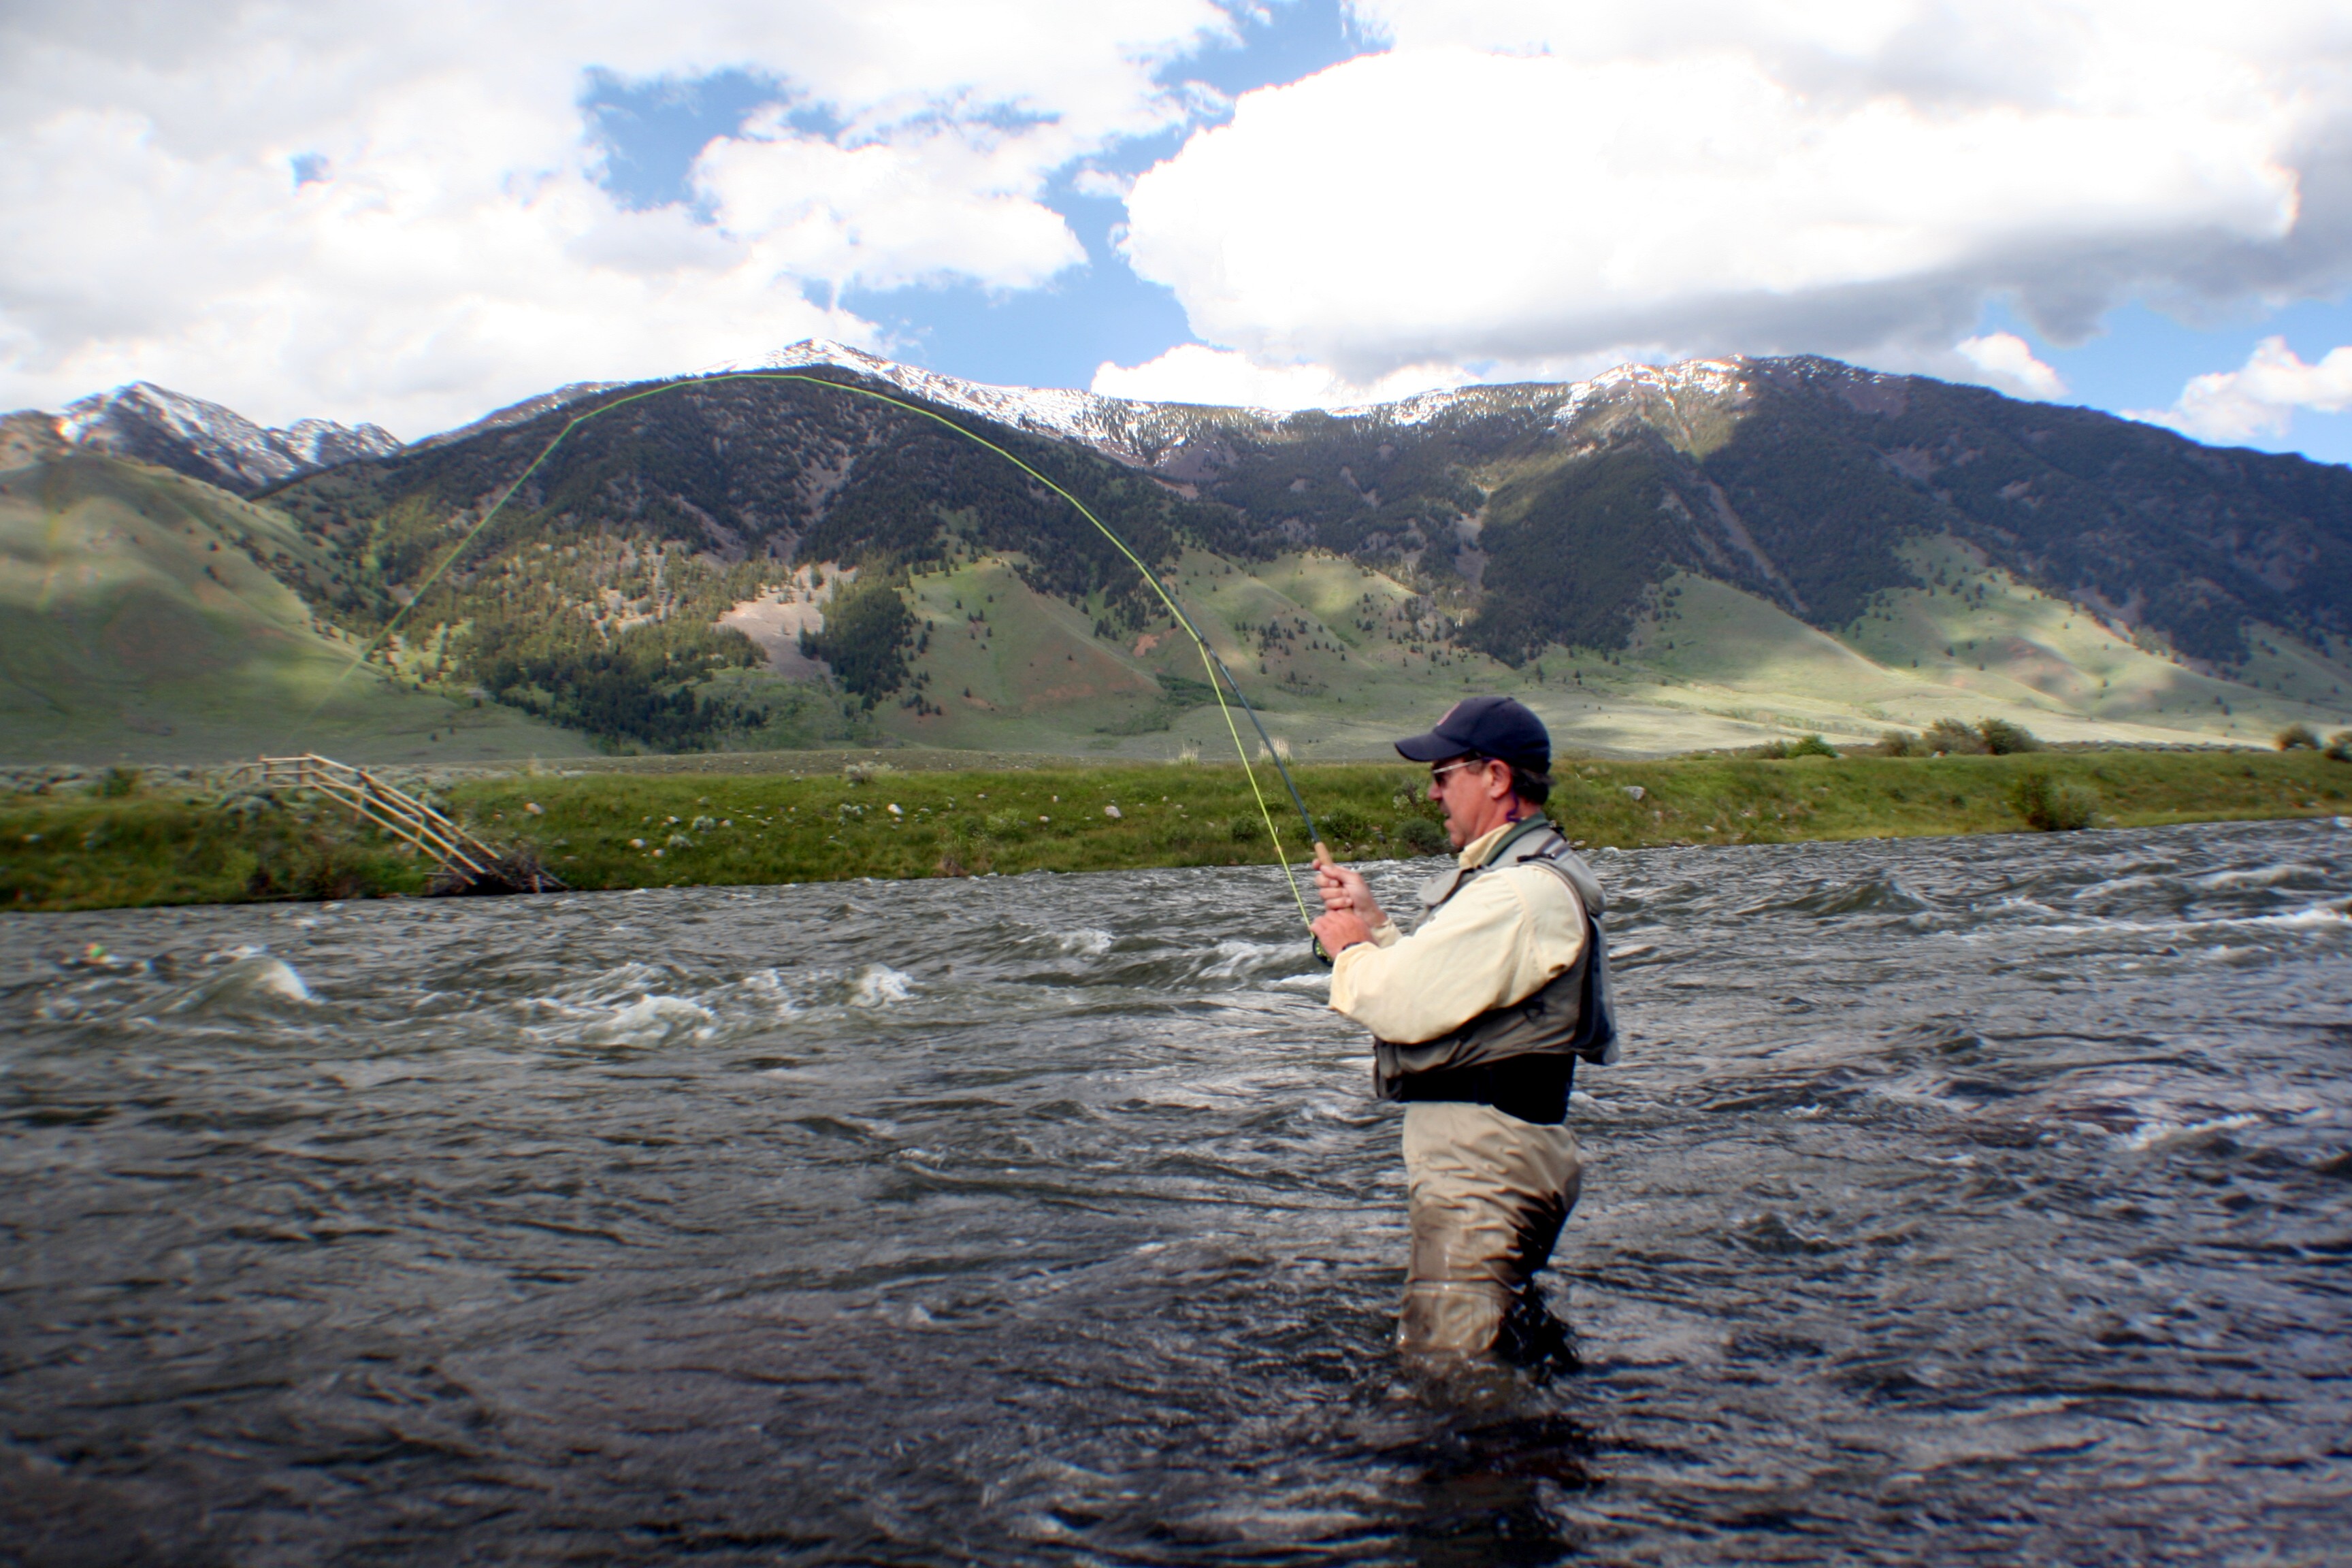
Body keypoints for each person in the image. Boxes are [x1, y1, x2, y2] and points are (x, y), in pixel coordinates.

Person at [1309, 696, 1616, 1367]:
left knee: (1454, 1379)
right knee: (1500, 1355)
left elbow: (1401, 1004)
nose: (1433, 792)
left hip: (1485, 1171)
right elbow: (1451, 990)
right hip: (1498, 1155)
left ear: (1498, 778)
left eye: (1444, 775)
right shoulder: (1518, 881)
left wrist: (1349, 948)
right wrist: (1377, 924)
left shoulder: (1517, 893)